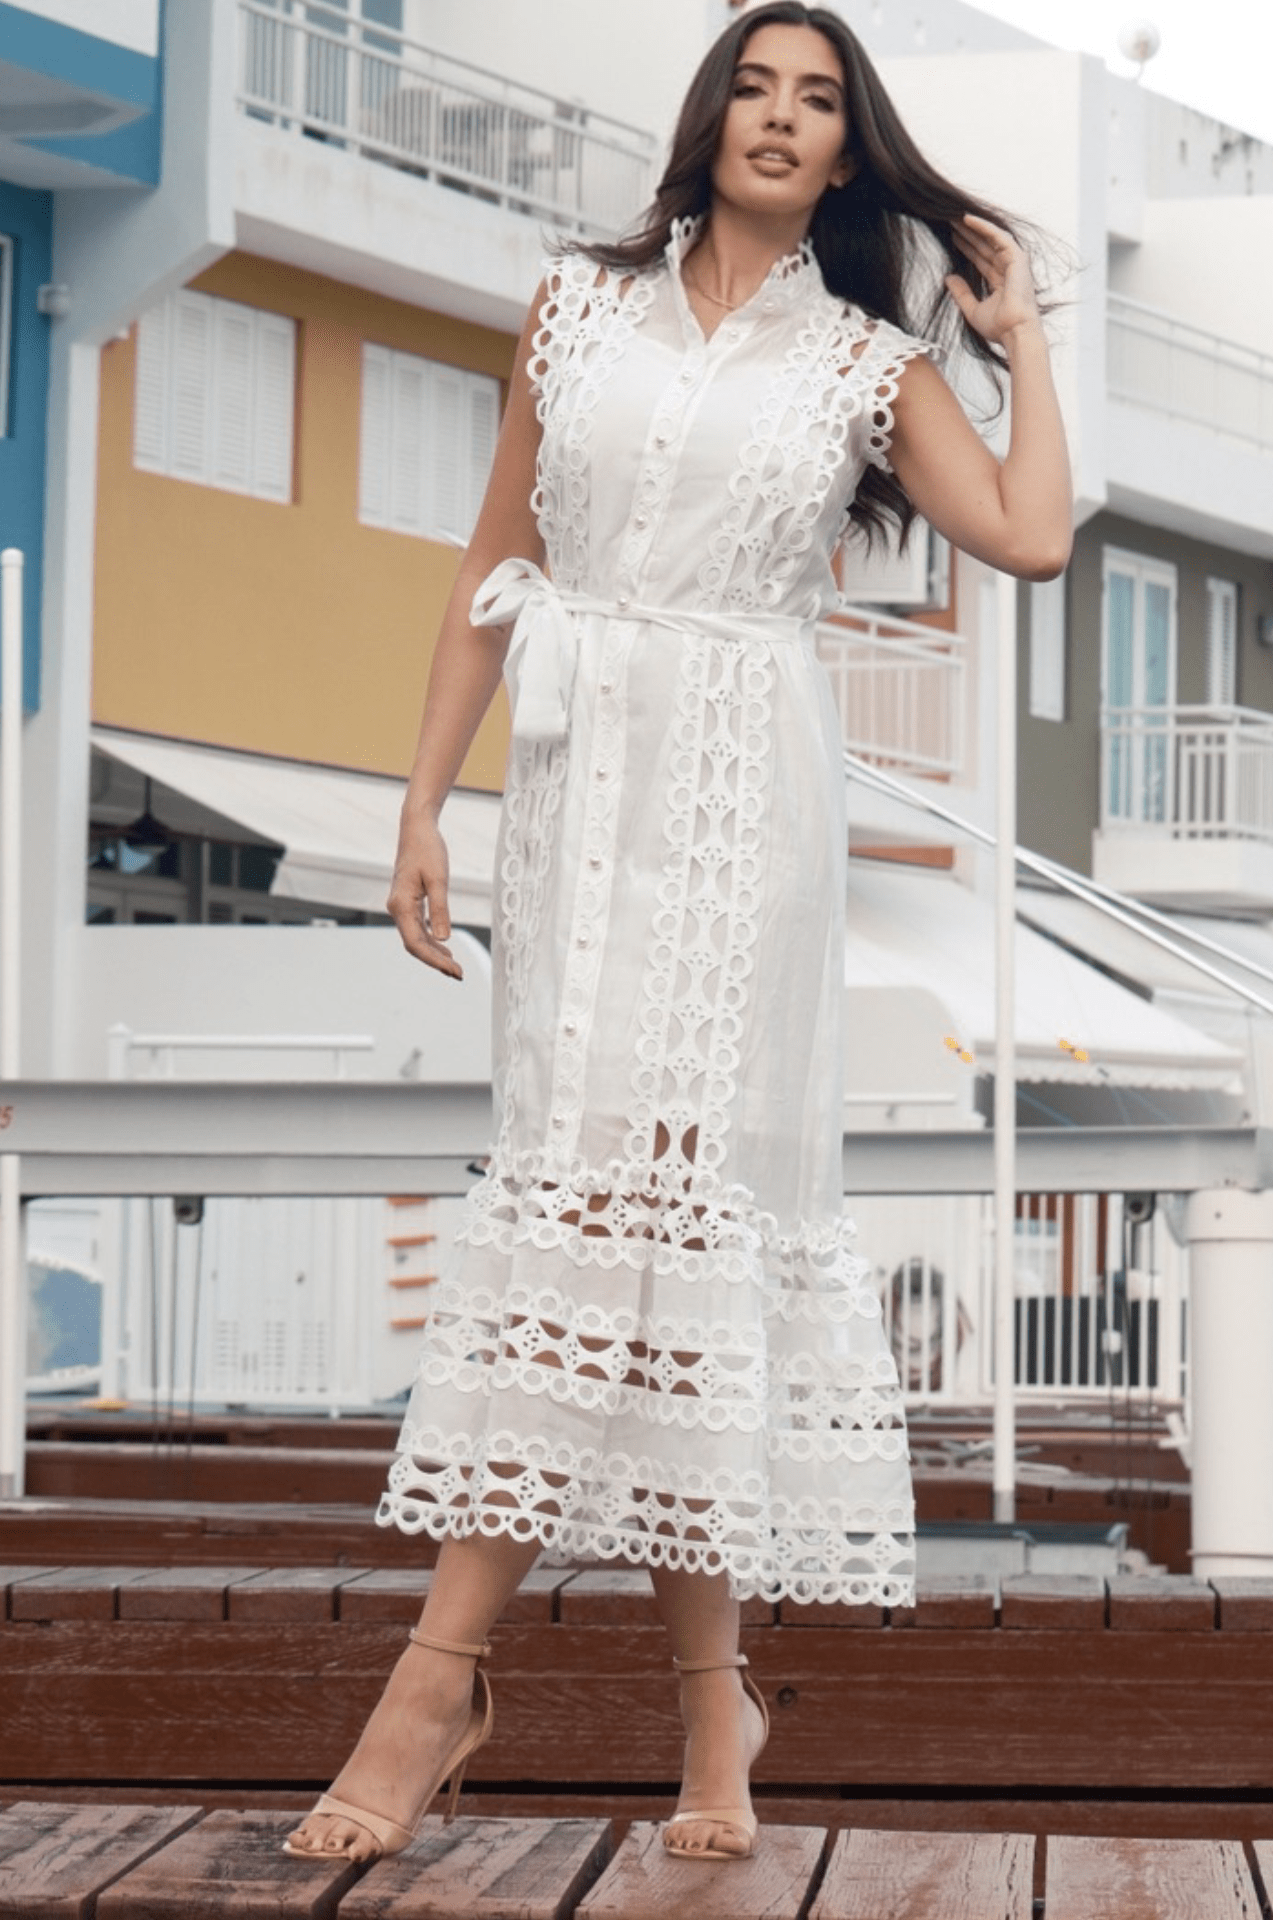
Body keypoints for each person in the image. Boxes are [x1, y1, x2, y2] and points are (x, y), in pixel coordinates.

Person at [284, 0, 1071, 1869]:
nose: (781, 119)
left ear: (846, 149)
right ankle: (715, 1711)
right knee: (604, 1207)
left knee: (671, 1209)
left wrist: (1020, 336)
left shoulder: (870, 364)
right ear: (708, 114)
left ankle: (437, 1676)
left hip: (745, 803)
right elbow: (499, 568)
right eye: (756, 86)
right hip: (577, 799)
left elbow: (1031, 538)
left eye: (820, 101)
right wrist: (420, 802)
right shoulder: (570, 302)